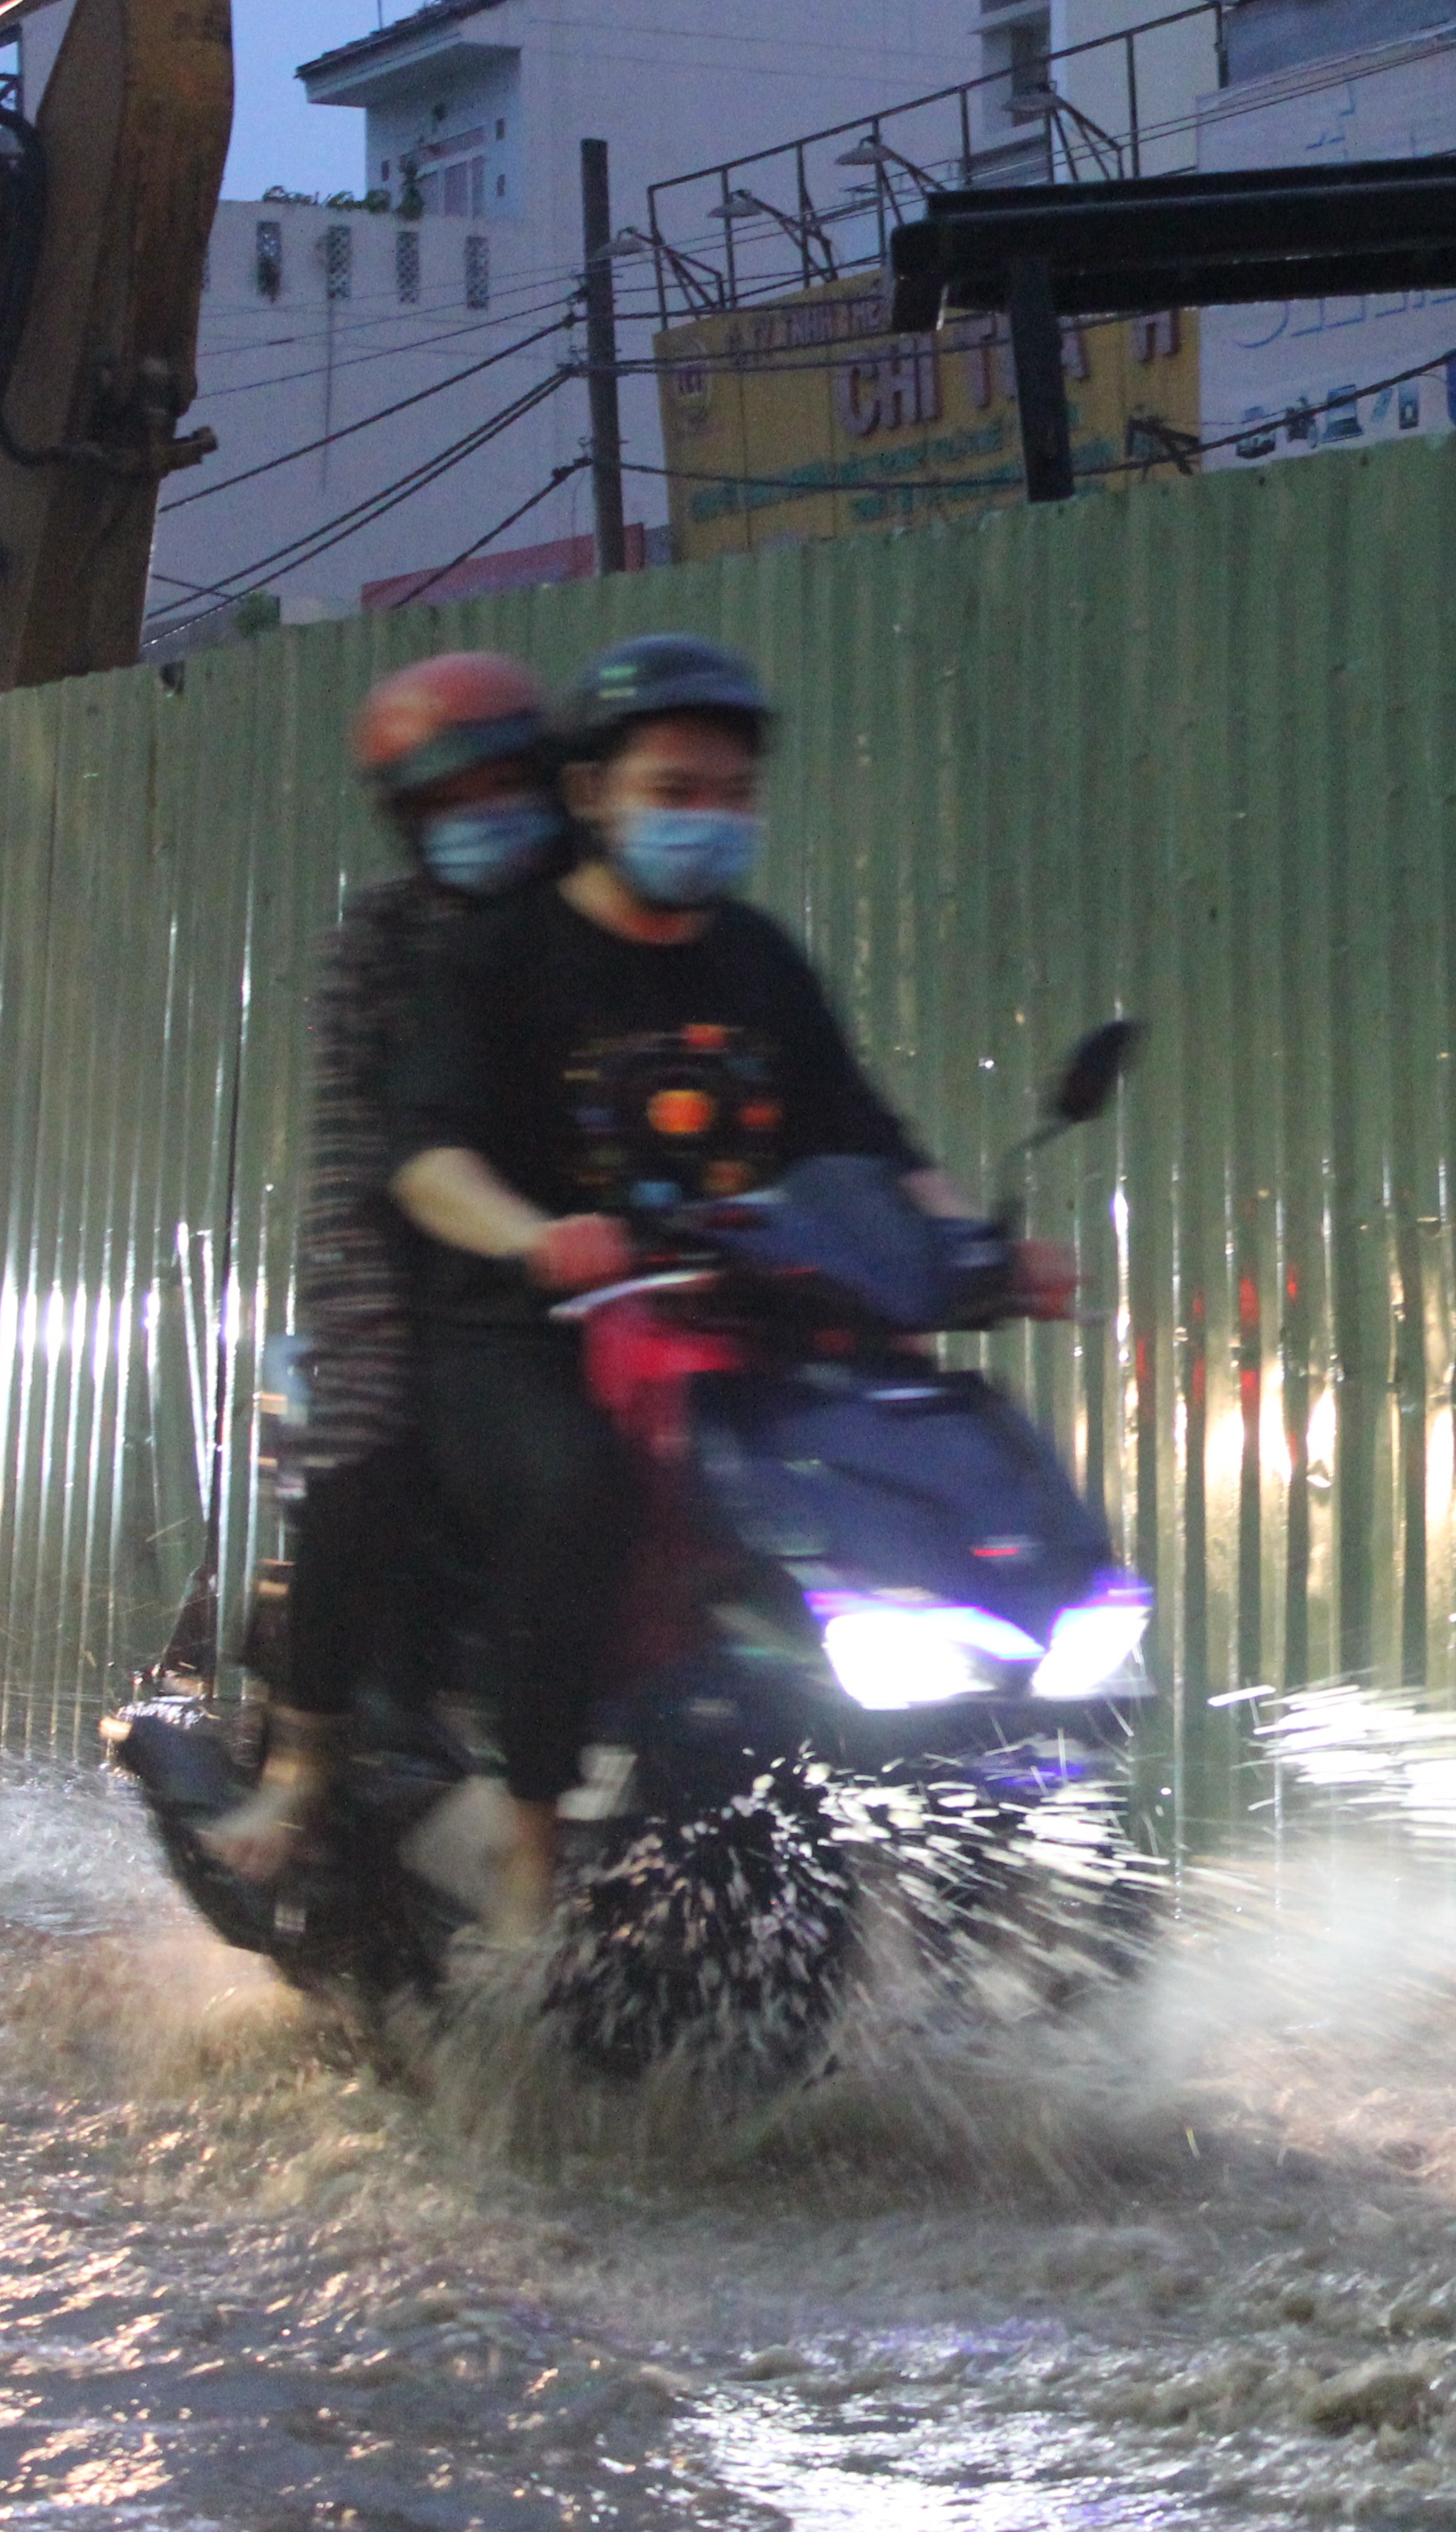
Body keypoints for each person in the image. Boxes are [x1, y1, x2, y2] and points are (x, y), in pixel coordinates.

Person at [386, 634, 1068, 1936]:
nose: (709, 819)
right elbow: (425, 1158)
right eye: (676, 790)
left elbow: (864, 1141)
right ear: (594, 794)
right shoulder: (503, 956)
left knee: (917, 1461)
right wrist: (538, 1236)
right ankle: (529, 1846)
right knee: (575, 1486)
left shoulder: (754, 958)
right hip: (522, 1332)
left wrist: (978, 1248)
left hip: (726, 1330)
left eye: (730, 795)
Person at [203, 652, 568, 1882]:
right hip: (411, 1265)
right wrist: (388, 1293)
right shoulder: (384, 941)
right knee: (366, 1448)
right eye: (447, 801)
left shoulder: (602, 917)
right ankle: (308, 1765)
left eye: (504, 785)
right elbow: (366, 1148)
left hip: (596, 1272)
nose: (482, 817)